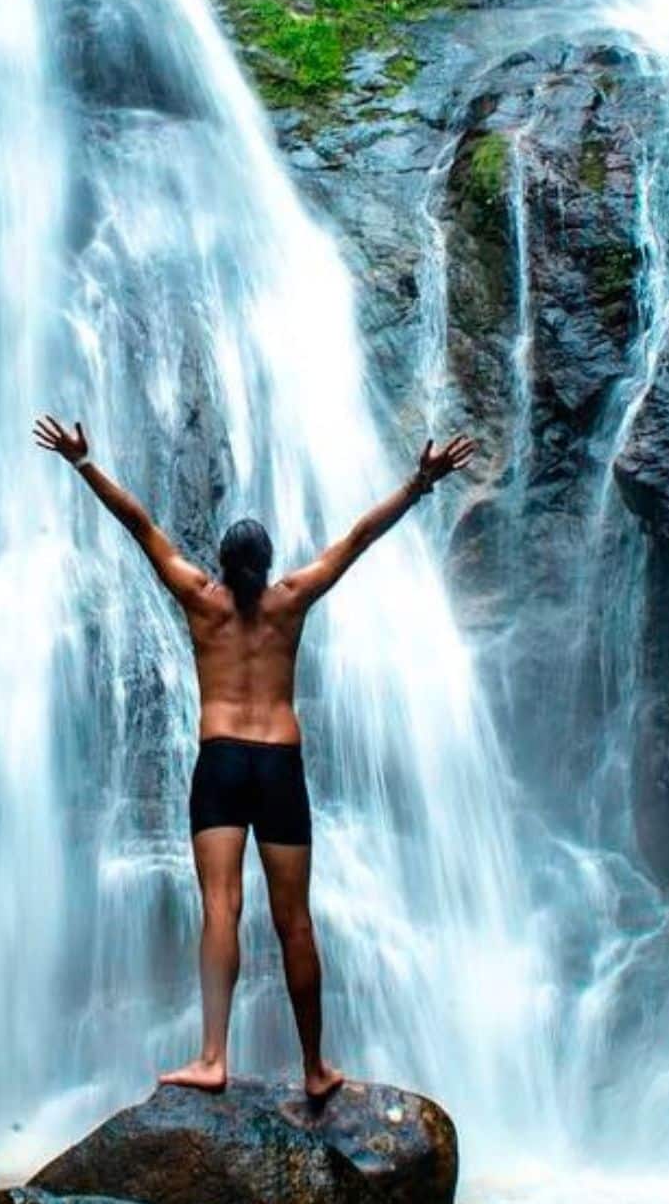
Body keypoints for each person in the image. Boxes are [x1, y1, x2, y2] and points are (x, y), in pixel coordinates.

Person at [32, 414, 478, 1100]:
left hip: (219, 763)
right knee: (294, 916)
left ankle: (212, 1056)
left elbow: (140, 524)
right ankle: (316, 1067)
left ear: (219, 559)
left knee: (220, 907)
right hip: (277, 764)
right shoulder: (291, 600)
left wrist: (84, 463)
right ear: (267, 565)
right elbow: (359, 537)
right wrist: (420, 482)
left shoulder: (198, 598)